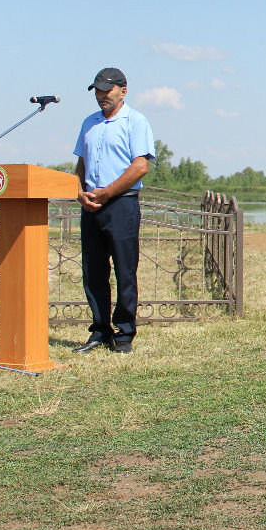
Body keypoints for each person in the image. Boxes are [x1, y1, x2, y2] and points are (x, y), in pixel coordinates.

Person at [72, 67, 155, 355]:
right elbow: (81, 162)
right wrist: (80, 191)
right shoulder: (89, 123)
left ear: (123, 90)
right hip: (92, 205)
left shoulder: (135, 121)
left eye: (106, 90)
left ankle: (124, 333)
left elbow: (140, 166)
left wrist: (108, 192)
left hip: (121, 204)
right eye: (97, 91)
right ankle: (99, 330)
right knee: (93, 271)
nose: (101, 96)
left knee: (124, 270)